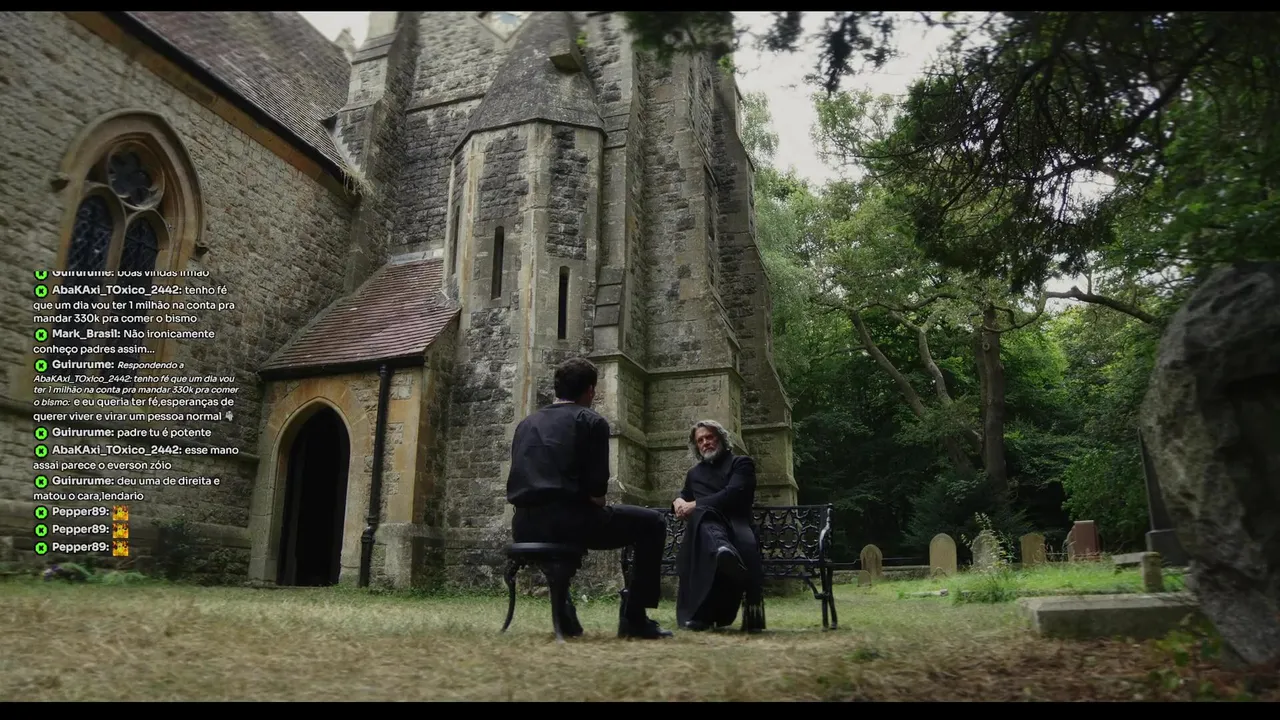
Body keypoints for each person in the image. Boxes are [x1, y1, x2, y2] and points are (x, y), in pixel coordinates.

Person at [506, 357, 672, 640]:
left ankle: (566, 614)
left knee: (574, 523)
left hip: (523, 525)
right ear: (591, 390)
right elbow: (597, 492)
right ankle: (634, 617)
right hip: (570, 522)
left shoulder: (526, 423)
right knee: (653, 522)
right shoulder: (591, 421)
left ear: (557, 388)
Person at [672, 419, 766, 633]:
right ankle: (722, 551)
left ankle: (702, 615)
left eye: (710, 437)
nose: (705, 442)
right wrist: (677, 502)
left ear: (721, 438)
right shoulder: (694, 474)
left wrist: (695, 505)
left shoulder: (741, 464)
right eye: (700, 440)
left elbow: (732, 494)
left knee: (702, 515)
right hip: (703, 532)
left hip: (735, 527)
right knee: (703, 522)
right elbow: (684, 496)